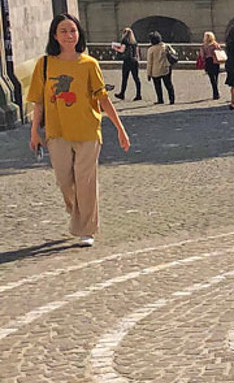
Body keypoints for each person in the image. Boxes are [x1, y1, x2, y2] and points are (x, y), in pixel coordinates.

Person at [26, 13, 130, 247]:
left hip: (87, 130)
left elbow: (102, 99)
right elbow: (38, 101)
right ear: (55, 35)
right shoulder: (44, 65)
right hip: (57, 131)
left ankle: (86, 229)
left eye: (72, 30)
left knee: (85, 180)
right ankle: (78, 214)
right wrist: (34, 132)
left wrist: (120, 129)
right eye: (63, 31)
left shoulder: (89, 64)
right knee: (64, 180)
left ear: (78, 34)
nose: (68, 35)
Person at [145, 31, 176, 105]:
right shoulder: (165, 46)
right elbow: (174, 53)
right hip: (166, 68)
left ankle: (160, 99)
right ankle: (172, 99)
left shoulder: (151, 49)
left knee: (157, 86)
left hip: (155, 70)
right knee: (168, 84)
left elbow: (149, 63)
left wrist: (148, 74)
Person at [111, 27, 142, 101]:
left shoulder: (125, 41)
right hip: (134, 61)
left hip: (127, 61)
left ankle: (122, 94)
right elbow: (137, 53)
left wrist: (115, 48)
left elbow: (122, 50)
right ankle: (138, 94)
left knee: (125, 78)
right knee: (136, 78)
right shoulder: (134, 42)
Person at [198, 31, 222, 100]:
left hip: (208, 62)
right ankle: (216, 93)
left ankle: (215, 93)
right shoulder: (215, 44)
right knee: (216, 77)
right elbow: (220, 51)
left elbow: (202, 56)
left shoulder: (203, 46)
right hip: (215, 61)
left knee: (212, 78)